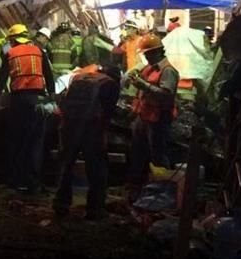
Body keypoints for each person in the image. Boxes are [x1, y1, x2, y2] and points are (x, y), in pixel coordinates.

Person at [52, 64, 121, 219]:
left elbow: (64, 99)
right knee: (96, 167)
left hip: (68, 125)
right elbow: (107, 112)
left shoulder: (79, 77)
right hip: (91, 128)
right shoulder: (109, 84)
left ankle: (60, 205)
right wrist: (103, 134)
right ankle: (95, 209)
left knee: (66, 165)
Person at [0, 23, 54, 194]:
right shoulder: (39, 51)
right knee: (35, 142)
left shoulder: (10, 54)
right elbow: (49, 76)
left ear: (13, 39)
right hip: (39, 100)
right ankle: (33, 184)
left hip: (19, 100)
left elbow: (2, 80)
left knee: (17, 140)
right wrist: (52, 97)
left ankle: (15, 181)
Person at [126, 34, 178, 192]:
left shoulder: (168, 71)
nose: (146, 57)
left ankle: (161, 190)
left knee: (158, 156)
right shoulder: (149, 68)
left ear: (158, 52)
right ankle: (139, 186)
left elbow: (166, 95)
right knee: (138, 152)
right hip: (144, 117)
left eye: (148, 54)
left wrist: (144, 85)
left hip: (158, 119)